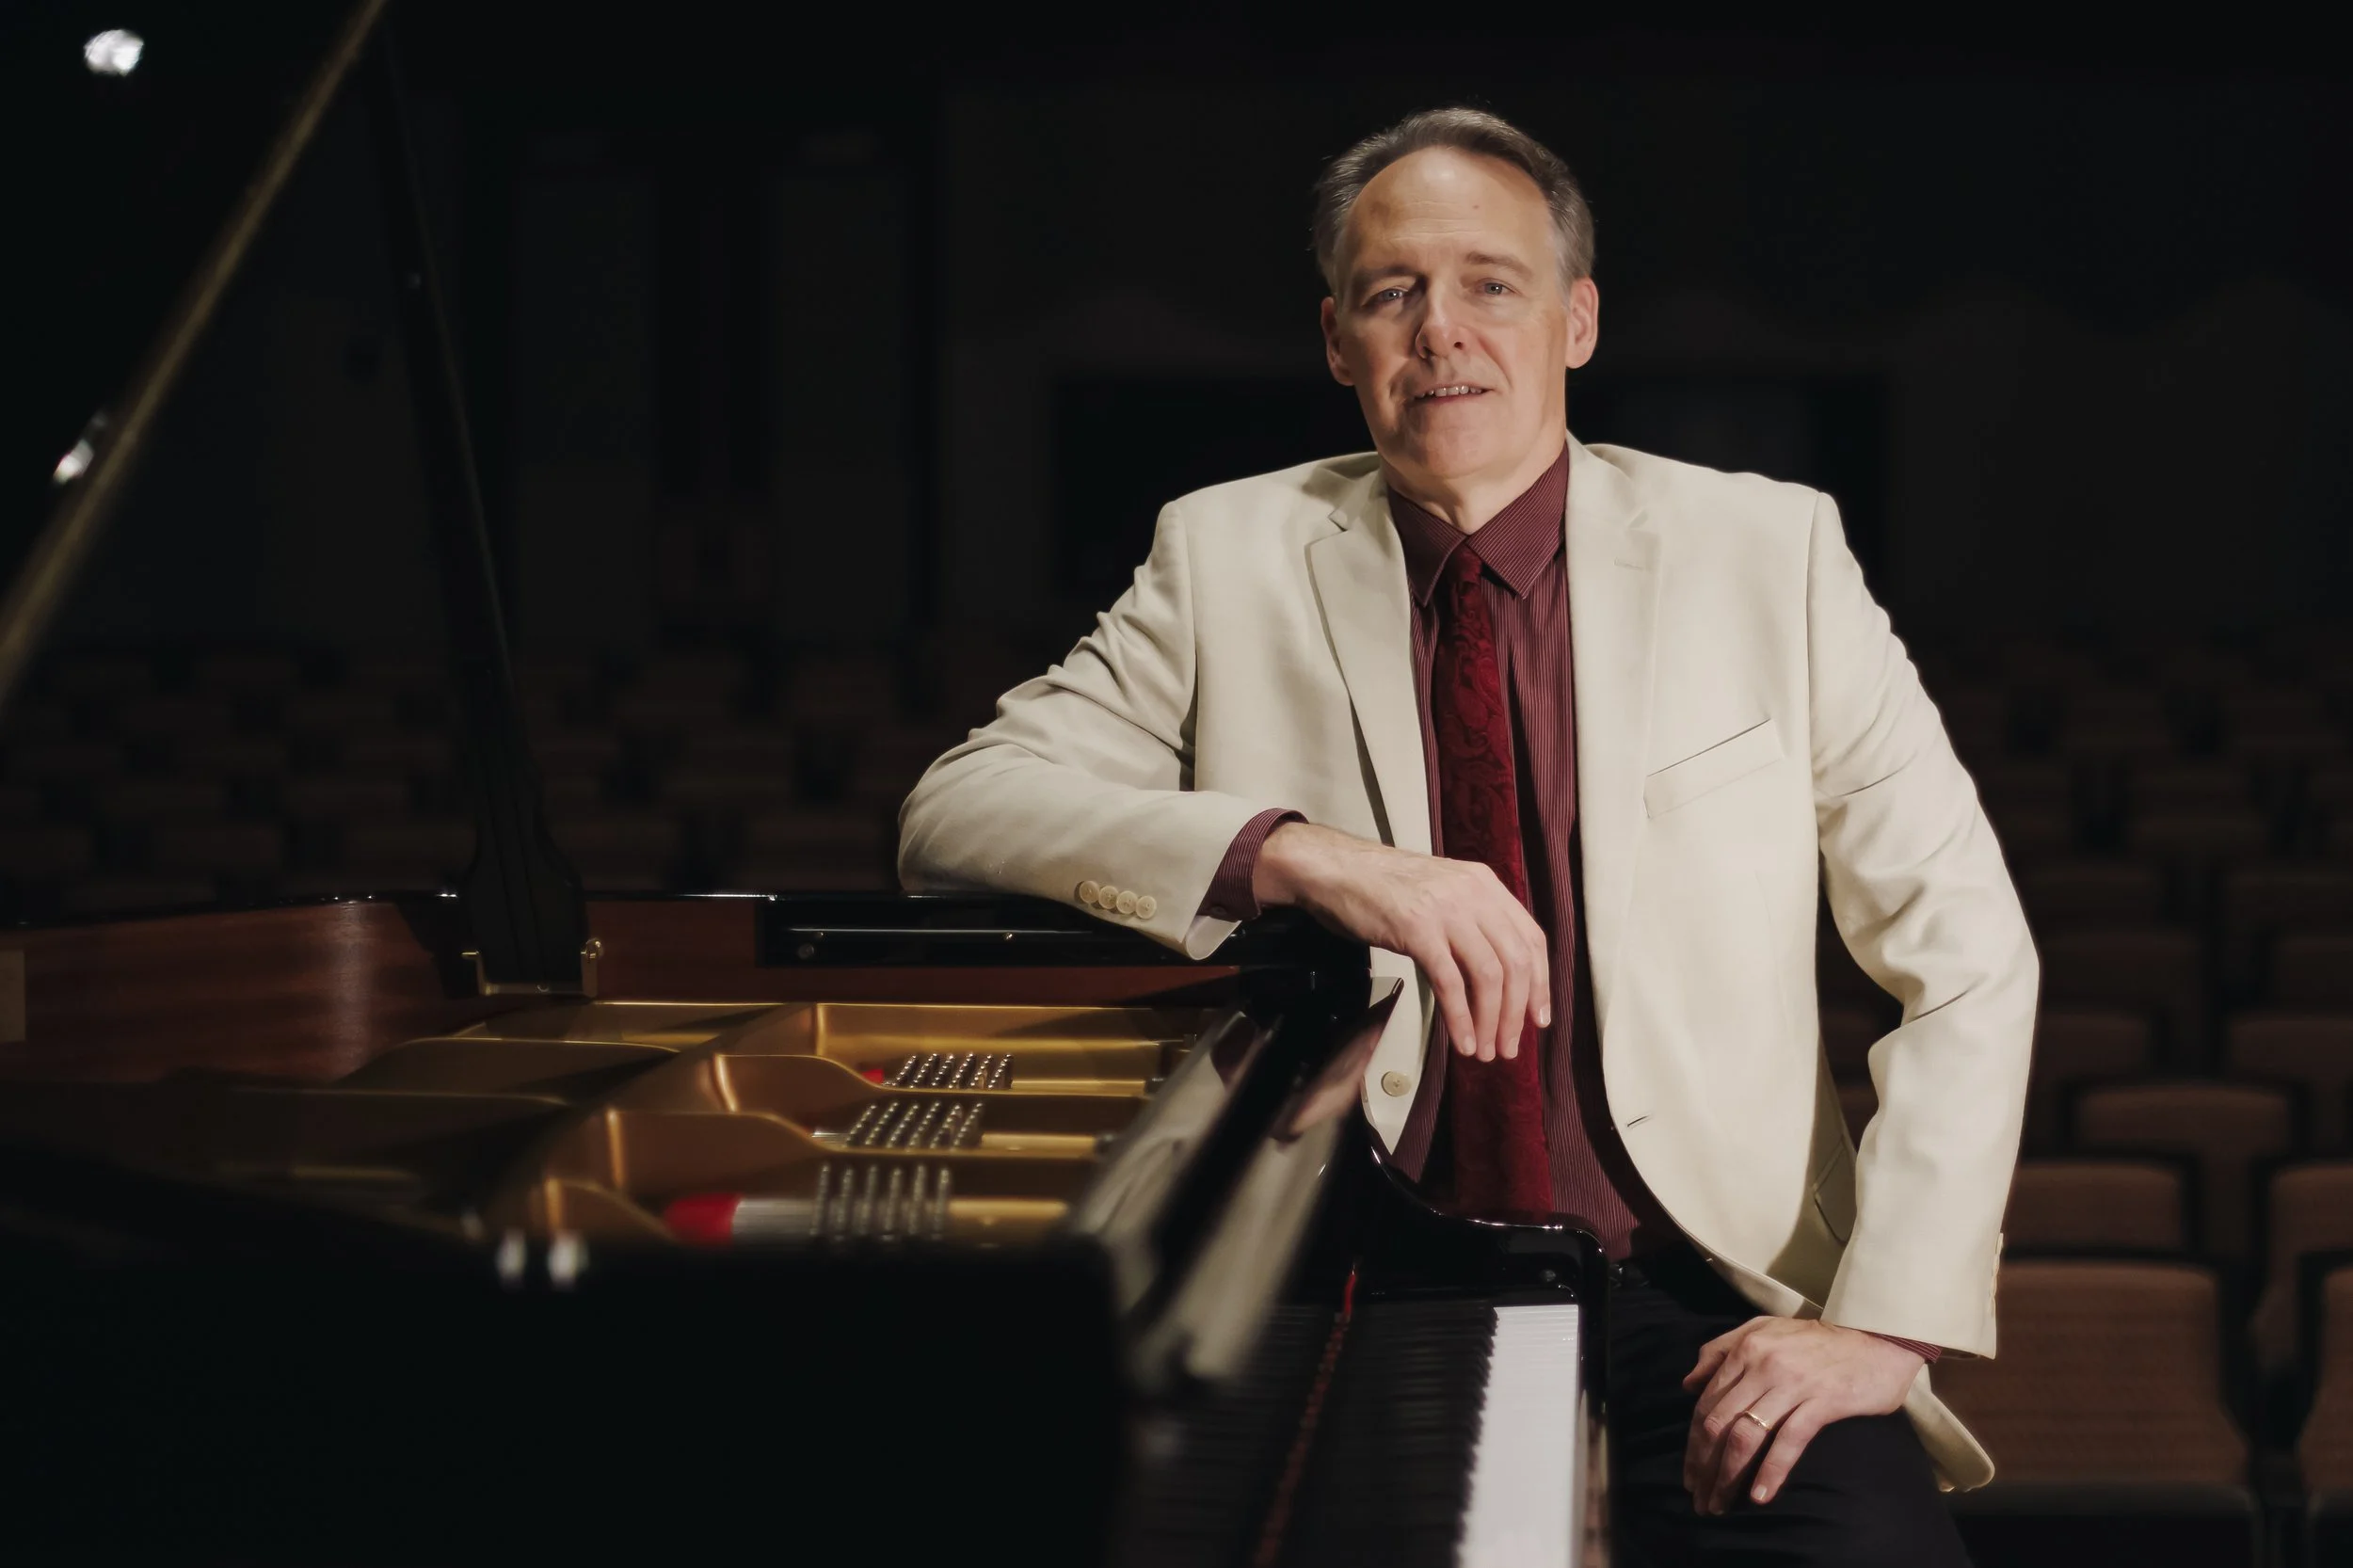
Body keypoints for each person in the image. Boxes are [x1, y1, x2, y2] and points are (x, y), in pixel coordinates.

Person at [900, 106, 2035, 1563]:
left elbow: (1970, 960)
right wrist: (1298, 851)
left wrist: (1877, 1323)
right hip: (1356, 1285)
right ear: (1336, 340)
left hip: (1708, 1292)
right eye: (1392, 293)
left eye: (1491, 284)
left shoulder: (1772, 552)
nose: (1442, 330)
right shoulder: (1224, 552)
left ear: (1576, 321)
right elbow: (956, 808)